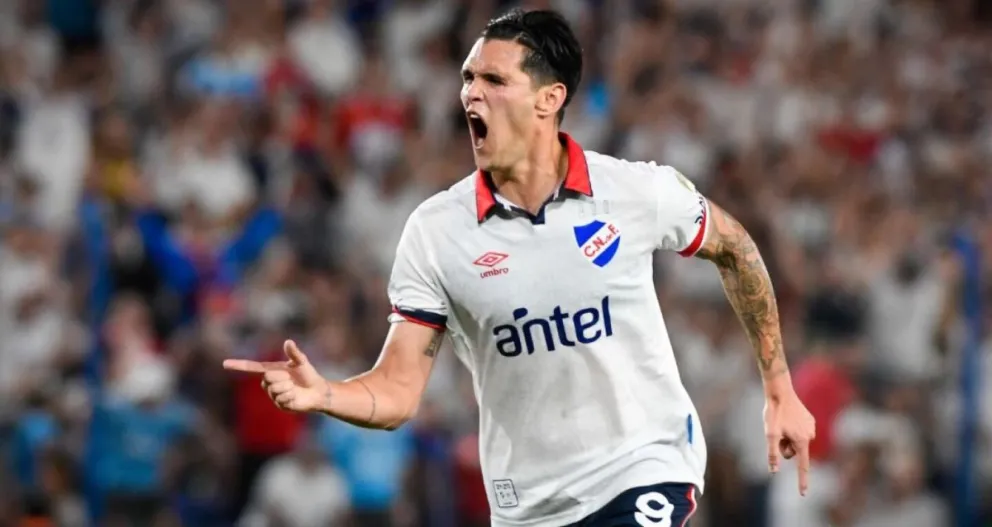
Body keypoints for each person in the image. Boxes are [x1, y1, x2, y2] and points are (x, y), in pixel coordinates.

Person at [223, 8, 816, 527]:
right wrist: (326, 392)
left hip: (643, 468)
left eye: (492, 80)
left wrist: (779, 387)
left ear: (548, 100)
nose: (469, 95)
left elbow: (735, 247)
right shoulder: (437, 232)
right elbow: (399, 391)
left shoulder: (635, 191)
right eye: (467, 79)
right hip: (526, 505)